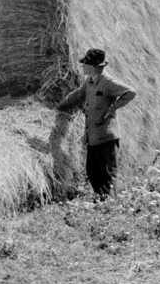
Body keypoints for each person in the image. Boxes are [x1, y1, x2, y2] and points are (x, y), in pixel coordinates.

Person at [53, 48, 136, 199]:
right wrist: (60, 106)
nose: (83, 66)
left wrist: (113, 108)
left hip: (106, 137)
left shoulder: (108, 82)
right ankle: (102, 202)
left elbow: (131, 92)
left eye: (85, 63)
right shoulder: (89, 81)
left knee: (107, 174)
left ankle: (110, 204)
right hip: (93, 137)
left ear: (94, 66)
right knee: (92, 172)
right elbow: (78, 94)